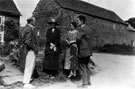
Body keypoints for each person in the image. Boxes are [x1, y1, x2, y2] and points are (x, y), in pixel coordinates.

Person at [76, 15, 93, 87]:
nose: (77, 22)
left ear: (82, 21)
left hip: (83, 51)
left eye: (78, 21)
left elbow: (77, 38)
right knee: (87, 66)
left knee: (82, 66)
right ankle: (88, 81)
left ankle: (84, 83)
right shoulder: (89, 29)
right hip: (88, 51)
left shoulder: (82, 29)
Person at [22, 17, 39, 89]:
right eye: (34, 21)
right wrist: (34, 48)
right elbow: (28, 42)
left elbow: (24, 40)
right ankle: (26, 83)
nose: (35, 22)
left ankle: (27, 80)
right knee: (29, 65)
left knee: (29, 65)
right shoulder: (29, 29)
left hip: (27, 50)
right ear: (31, 21)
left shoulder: (26, 28)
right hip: (30, 50)